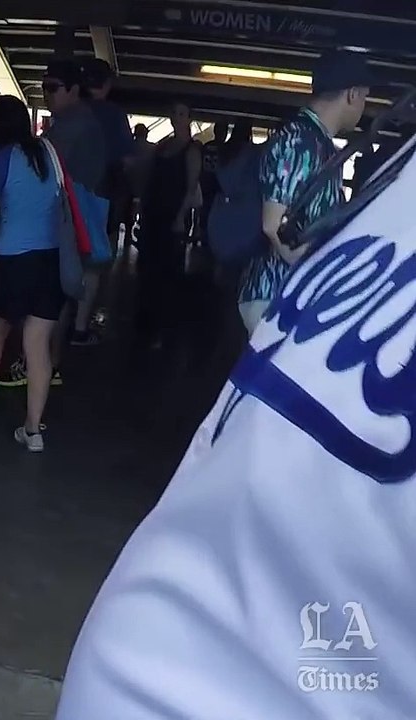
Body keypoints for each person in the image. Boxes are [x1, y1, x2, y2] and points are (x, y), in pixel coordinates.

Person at [56, 55, 414, 720]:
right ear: (356, 94)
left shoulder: (307, 141)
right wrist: (334, 271)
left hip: (293, 309)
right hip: (280, 303)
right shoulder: (300, 142)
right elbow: (280, 231)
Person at [238, 50, 371, 332]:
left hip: (289, 295)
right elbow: (273, 224)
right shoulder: (300, 140)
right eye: (365, 97)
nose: (364, 106)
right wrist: (313, 270)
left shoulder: (317, 142)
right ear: (352, 95)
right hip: (275, 295)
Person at [0, 95, 65, 453]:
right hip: (49, 261)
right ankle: (33, 431)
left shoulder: (2, 159)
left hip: (10, 261)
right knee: (38, 348)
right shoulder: (48, 153)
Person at [0, 60, 103, 390]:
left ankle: (39, 363)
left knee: (51, 298)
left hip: (64, 221)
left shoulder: (70, 128)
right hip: (73, 218)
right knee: (60, 294)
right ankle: (47, 363)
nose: (46, 94)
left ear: (73, 90)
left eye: (52, 87)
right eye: (43, 87)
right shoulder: (78, 123)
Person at [71, 57, 132, 347]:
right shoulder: (113, 115)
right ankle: (79, 328)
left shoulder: (71, 111)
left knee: (64, 256)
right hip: (100, 195)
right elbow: (127, 158)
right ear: (107, 85)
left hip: (65, 193)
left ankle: (57, 322)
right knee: (92, 265)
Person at [134, 102, 202, 348]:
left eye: (182, 113)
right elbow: (150, 179)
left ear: (188, 119)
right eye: (173, 112)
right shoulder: (164, 146)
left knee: (166, 271)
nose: (176, 117)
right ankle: (149, 324)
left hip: (171, 214)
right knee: (149, 268)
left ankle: (162, 328)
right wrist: (142, 208)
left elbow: (191, 185)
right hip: (154, 212)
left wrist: (180, 216)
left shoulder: (191, 150)